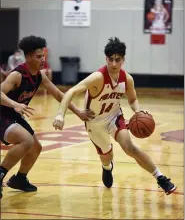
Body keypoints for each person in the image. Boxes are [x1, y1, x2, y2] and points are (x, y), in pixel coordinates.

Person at [53, 37, 176, 195]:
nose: (113, 64)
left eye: (117, 60)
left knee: (130, 148)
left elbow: (132, 100)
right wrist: (60, 114)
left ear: (123, 60)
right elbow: (71, 91)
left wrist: (138, 111)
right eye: (110, 59)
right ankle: (106, 167)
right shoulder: (98, 77)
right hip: (94, 122)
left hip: (114, 117)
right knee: (107, 156)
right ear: (106, 59)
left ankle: (160, 178)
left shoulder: (127, 79)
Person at [0, 35, 94, 199]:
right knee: (26, 141)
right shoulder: (17, 75)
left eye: (43, 55)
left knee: (36, 147)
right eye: (38, 56)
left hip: (14, 115)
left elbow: (58, 94)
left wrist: (78, 111)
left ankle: (20, 179)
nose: (42, 59)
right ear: (28, 57)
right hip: (3, 114)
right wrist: (15, 104)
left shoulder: (39, 76)